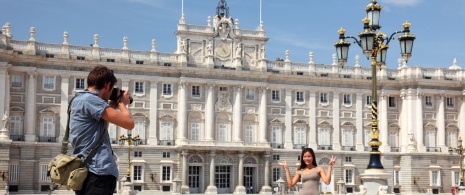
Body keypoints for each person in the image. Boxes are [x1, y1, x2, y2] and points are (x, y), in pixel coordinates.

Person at [69, 65, 134, 195]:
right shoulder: (91, 100)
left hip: (88, 172)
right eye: (111, 89)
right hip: (98, 173)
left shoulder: (79, 99)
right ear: (107, 85)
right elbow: (129, 123)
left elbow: (102, 126)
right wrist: (122, 104)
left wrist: (112, 104)